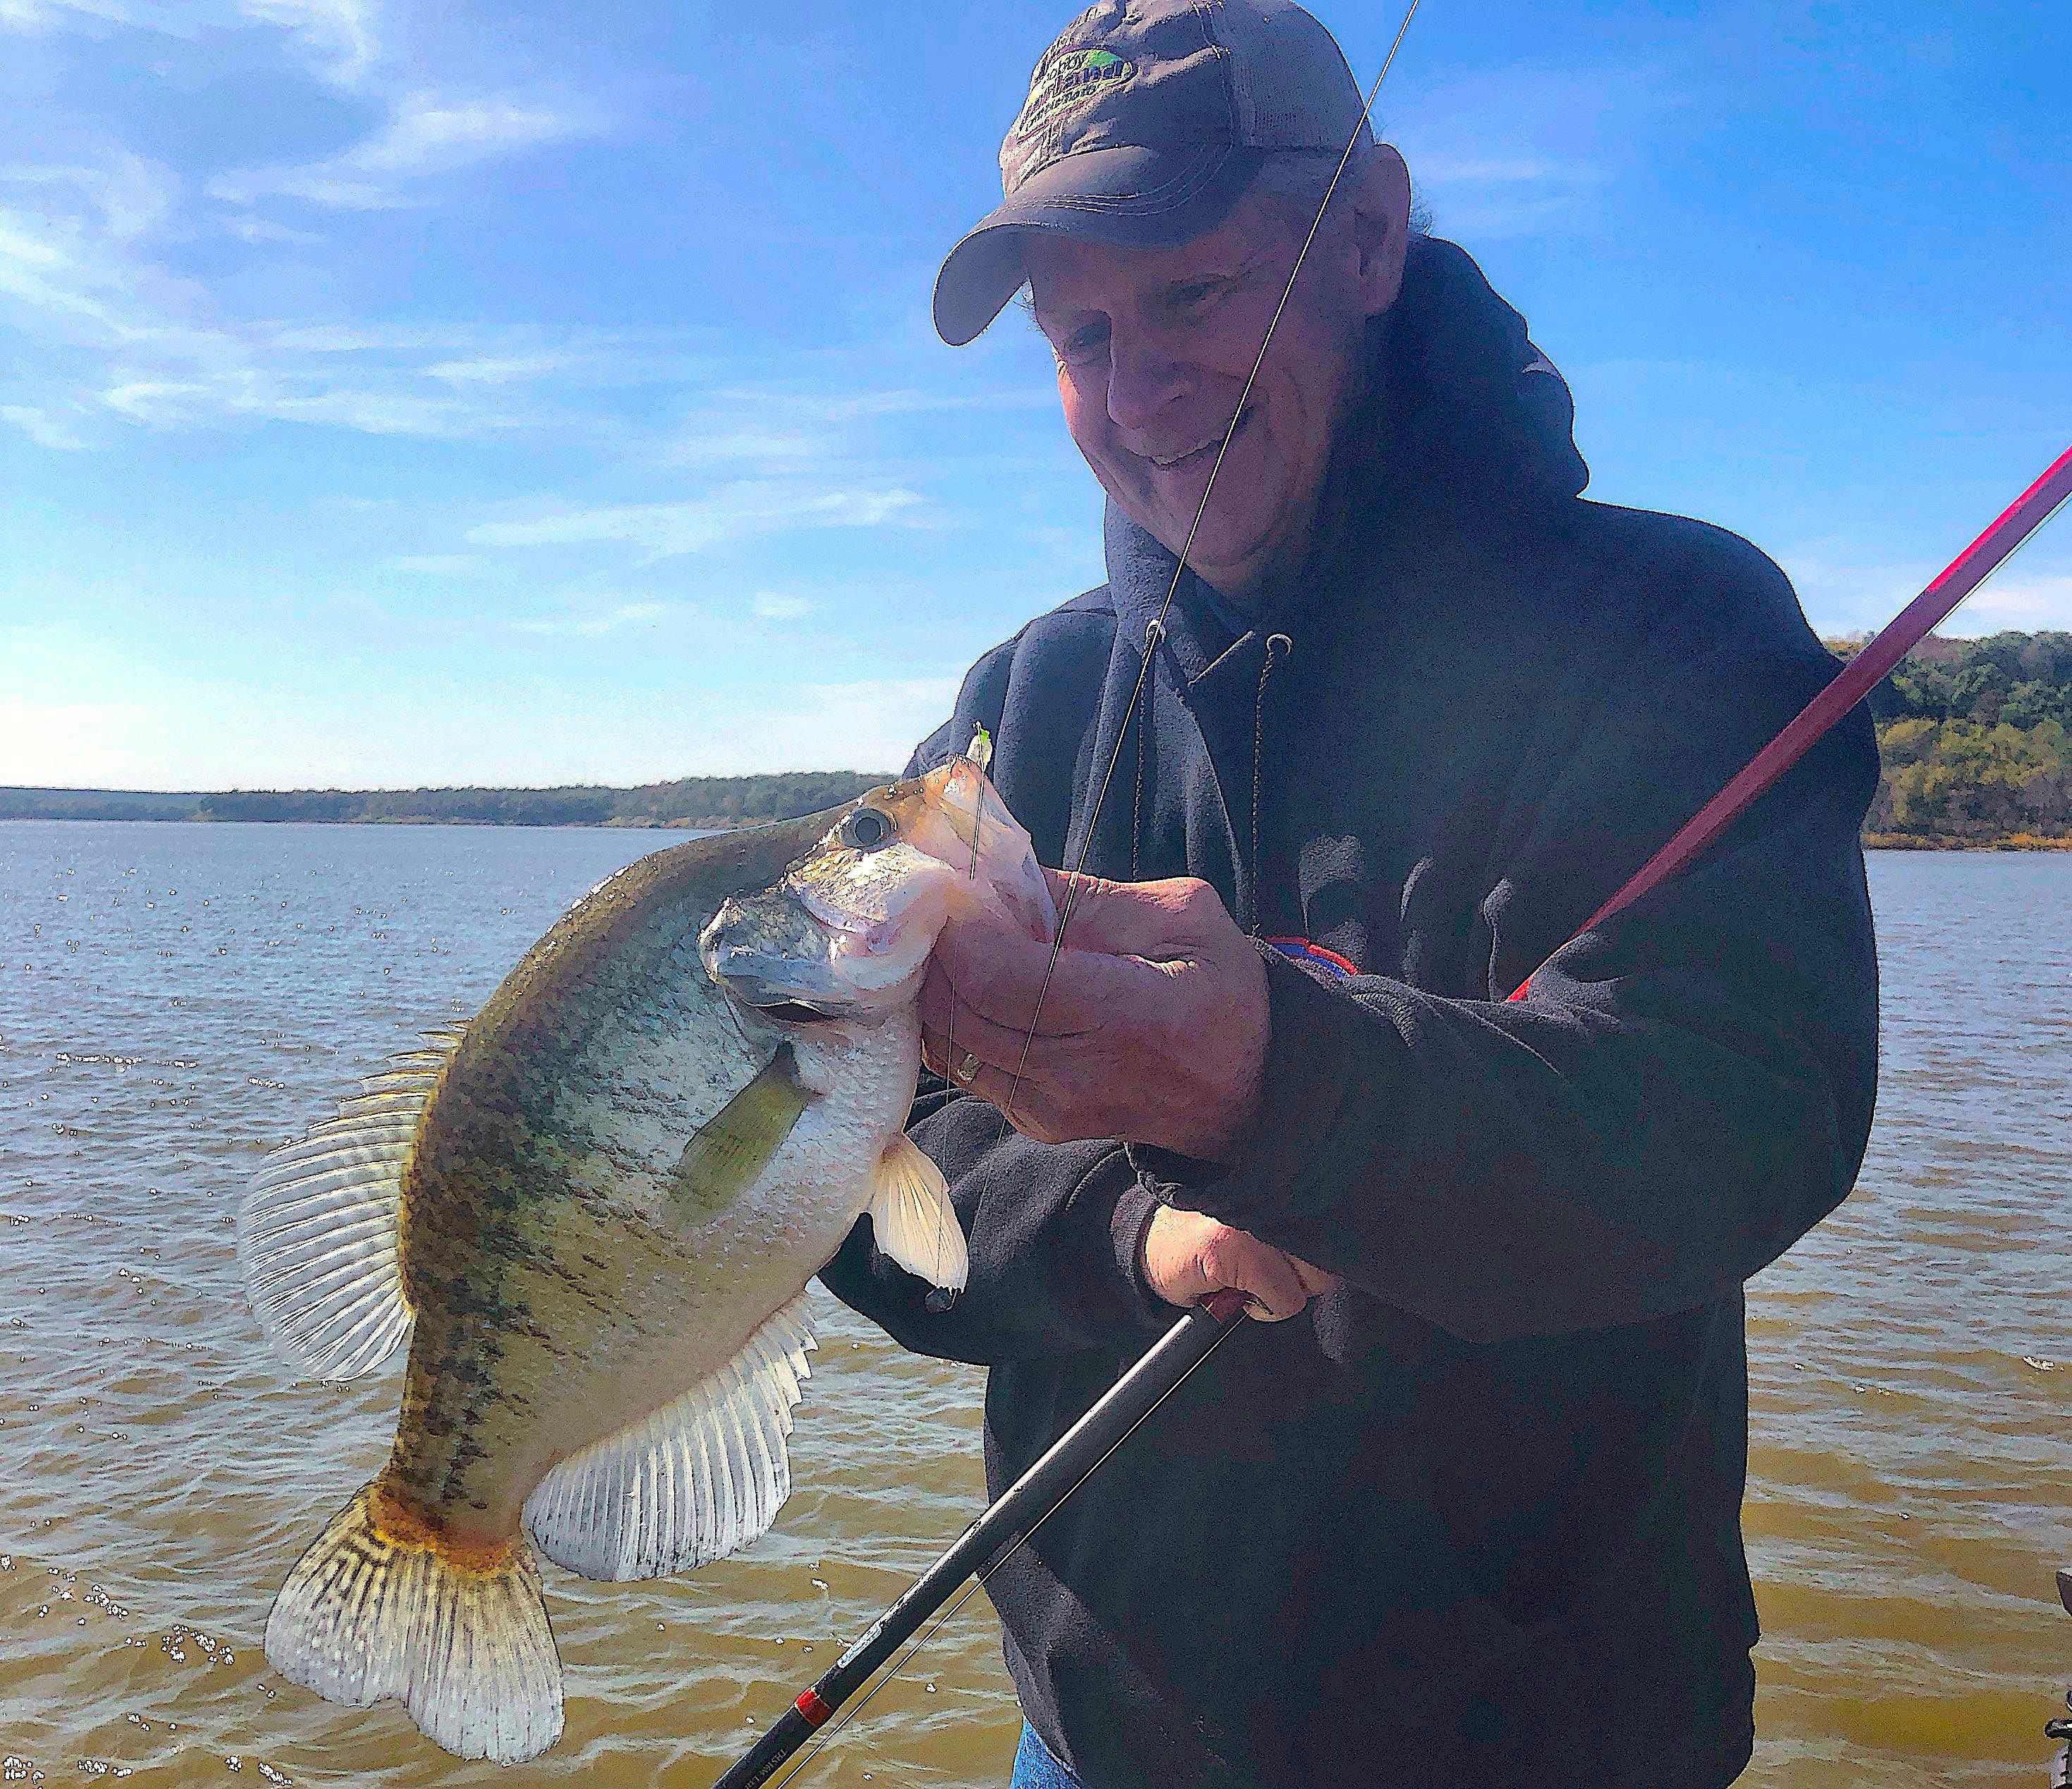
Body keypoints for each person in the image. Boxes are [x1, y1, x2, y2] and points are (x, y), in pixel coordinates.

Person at [819, 1, 1882, 1783]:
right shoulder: (1028, 703)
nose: (1137, 388)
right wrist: (1133, 1233)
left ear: (1369, 236)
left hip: (1545, 1736)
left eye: (1188, 295)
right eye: (1078, 333)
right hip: (1092, 1739)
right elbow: (861, 1152)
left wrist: (1275, 1082)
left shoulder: (1670, 634)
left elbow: (1738, 1115)